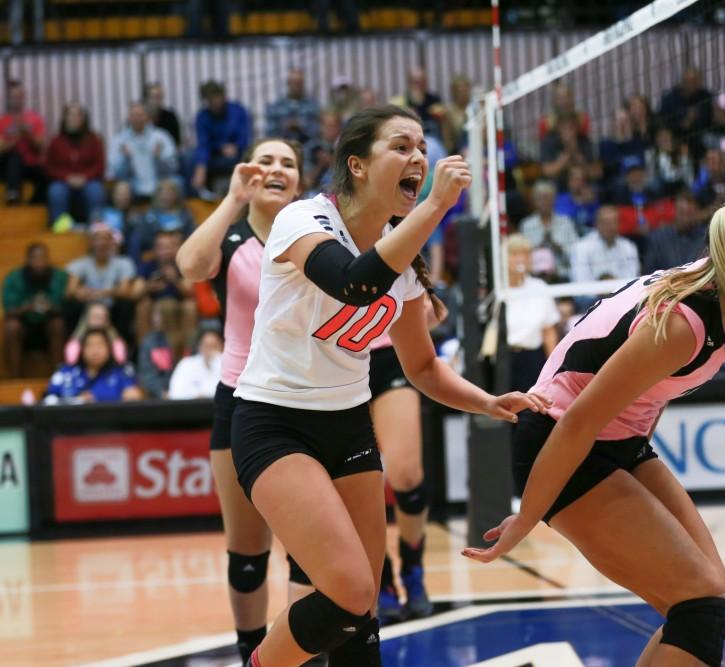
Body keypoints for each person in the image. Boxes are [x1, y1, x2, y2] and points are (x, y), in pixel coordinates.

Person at [229, 106, 546, 667]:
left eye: (421, 146)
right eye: (401, 146)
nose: (418, 157)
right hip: (274, 422)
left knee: (361, 608)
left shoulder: (403, 260)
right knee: (348, 588)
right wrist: (437, 206)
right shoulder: (304, 220)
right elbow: (352, 282)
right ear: (356, 164)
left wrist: (487, 400)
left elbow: (422, 368)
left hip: (348, 426)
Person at [464, 190, 725, 667]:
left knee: (715, 608)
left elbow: (653, 392)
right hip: (563, 441)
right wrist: (526, 520)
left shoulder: (724, 301)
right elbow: (578, 420)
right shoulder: (686, 320)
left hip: (617, 440)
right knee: (700, 607)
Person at [176, 138, 307, 664]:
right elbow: (189, 265)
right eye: (266, 160)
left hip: (303, 398)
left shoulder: (315, 230)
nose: (276, 169)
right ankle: (250, 651)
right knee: (248, 551)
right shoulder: (231, 235)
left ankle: (302, 656)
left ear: (300, 178)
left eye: (288, 163)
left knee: (306, 549)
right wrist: (232, 198)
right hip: (239, 396)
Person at [368, 299, 443, 624]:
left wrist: (420, 313)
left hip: (389, 351)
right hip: (334, 357)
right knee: (360, 484)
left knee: (406, 475)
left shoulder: (392, 247)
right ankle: (381, 577)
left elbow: (437, 310)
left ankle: (413, 567)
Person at [65, 222, 140, 343]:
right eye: (98, 239)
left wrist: (99, 293)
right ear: (91, 242)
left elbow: (125, 291)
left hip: (113, 308)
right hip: (87, 307)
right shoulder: (79, 264)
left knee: (125, 305)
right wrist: (79, 292)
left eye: (106, 239)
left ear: (112, 242)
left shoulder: (124, 263)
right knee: (72, 305)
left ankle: (123, 349)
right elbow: (70, 291)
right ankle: (74, 348)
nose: (102, 243)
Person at [2, 243, 68, 377]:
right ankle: (14, 378)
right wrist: (28, 307)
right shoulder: (14, 278)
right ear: (27, 259)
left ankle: (58, 377)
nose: (39, 262)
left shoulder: (60, 277)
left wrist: (50, 307)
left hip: (50, 326)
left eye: (43, 257)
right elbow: (9, 311)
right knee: (11, 327)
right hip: (25, 327)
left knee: (58, 325)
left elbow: (68, 308)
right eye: (35, 258)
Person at [505, 235, 560, 393]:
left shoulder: (540, 287)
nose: (521, 259)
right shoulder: (496, 291)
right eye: (515, 254)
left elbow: (548, 332)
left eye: (526, 254)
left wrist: (554, 370)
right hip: (503, 359)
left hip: (532, 359)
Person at [135, 230, 197, 360]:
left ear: (176, 248)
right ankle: (145, 353)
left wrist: (174, 279)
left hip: (178, 304)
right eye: (161, 247)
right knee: (143, 306)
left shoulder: (183, 264)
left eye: (168, 247)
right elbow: (135, 292)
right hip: (155, 305)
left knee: (189, 306)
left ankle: (188, 353)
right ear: (155, 249)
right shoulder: (148, 266)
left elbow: (190, 291)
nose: (165, 251)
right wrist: (149, 287)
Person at [44, 328, 142, 404]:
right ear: (81, 350)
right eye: (89, 345)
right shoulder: (65, 373)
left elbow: (133, 396)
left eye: (100, 345)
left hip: (112, 427)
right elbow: (47, 400)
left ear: (109, 349)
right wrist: (78, 400)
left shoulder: (122, 372)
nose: (95, 350)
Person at [45, 103, 106, 226]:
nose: (74, 118)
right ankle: (61, 226)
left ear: (84, 119)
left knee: (96, 190)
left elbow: (100, 165)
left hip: (88, 181)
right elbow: (49, 167)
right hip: (63, 181)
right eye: (71, 115)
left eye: (78, 115)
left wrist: (85, 177)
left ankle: (96, 227)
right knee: (56, 191)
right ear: (65, 118)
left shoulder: (94, 140)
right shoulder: (56, 141)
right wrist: (67, 177)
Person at [108, 102, 179, 201]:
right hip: (132, 187)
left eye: (140, 115)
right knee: (120, 189)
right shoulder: (119, 140)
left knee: (178, 183)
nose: (137, 118)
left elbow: (173, 167)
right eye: (133, 115)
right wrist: (125, 159)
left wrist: (159, 159)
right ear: (128, 117)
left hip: (159, 183)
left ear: (147, 117)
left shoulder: (161, 137)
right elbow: (115, 172)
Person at [191, 81, 252, 196]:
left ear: (223, 96)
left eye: (216, 97)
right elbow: (203, 144)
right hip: (214, 156)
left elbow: (245, 137)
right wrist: (201, 167)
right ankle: (199, 199)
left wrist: (236, 146)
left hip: (237, 154)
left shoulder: (238, 111)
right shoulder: (202, 117)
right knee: (190, 160)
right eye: (210, 100)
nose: (215, 102)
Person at [0, 80, 45, 205]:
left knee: (49, 172)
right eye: (13, 96)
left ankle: (34, 202)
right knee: (14, 158)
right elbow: (1, 149)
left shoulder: (34, 118)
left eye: (19, 96)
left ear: (23, 97)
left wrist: (28, 134)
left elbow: (41, 146)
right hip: (6, 167)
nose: (16, 99)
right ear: (7, 98)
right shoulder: (3, 121)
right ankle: (12, 194)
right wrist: (18, 136)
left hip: (29, 165)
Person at [569, 205, 640, 284]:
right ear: (596, 224)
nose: (609, 227)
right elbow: (580, 281)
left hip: (622, 294)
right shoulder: (581, 247)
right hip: (592, 295)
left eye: (613, 222)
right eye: (605, 223)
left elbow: (632, 279)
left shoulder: (628, 247)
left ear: (619, 224)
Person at [266, 69, 321, 145]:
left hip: (307, 149)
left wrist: (301, 126)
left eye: (299, 83)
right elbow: (269, 133)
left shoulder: (313, 106)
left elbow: (318, 132)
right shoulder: (276, 106)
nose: (296, 86)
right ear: (288, 83)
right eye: (294, 83)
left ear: (303, 84)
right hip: (282, 146)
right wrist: (285, 126)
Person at [168, 328, 224, 400]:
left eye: (214, 346)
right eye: (207, 346)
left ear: (222, 347)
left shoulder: (226, 365)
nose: (210, 350)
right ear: (199, 347)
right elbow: (175, 393)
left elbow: (225, 393)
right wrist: (198, 395)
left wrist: (218, 359)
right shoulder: (186, 364)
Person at [144, 82, 182, 148]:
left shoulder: (170, 117)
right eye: (155, 97)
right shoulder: (139, 118)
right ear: (147, 99)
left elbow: (177, 142)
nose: (158, 100)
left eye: (160, 96)